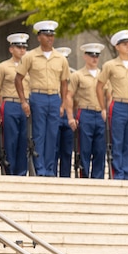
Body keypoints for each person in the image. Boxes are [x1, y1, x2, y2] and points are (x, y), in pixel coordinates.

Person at [15, 20, 70, 177]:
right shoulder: (30, 56)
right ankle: (39, 169)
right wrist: (23, 101)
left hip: (54, 97)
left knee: (52, 134)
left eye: (51, 35)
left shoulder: (61, 58)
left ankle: (49, 169)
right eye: (46, 35)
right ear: (39, 37)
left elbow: (64, 82)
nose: (50, 38)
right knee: (39, 134)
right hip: (37, 96)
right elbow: (18, 78)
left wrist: (62, 104)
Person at [96, 30, 128, 180]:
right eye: (124, 44)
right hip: (118, 106)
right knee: (117, 141)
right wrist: (103, 107)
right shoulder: (110, 65)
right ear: (117, 47)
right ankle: (118, 173)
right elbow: (99, 85)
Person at [0, 33, 30, 175]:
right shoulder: (3, 67)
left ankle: (21, 172)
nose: (22, 50)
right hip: (10, 104)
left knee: (24, 141)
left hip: (26, 105)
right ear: (11, 49)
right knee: (10, 140)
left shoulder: (29, 66)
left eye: (24, 47)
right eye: (18, 47)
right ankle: (9, 172)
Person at [67, 43, 106, 179]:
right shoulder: (77, 75)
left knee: (100, 149)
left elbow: (110, 94)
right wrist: (71, 117)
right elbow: (69, 96)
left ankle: (98, 177)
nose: (94, 59)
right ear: (85, 56)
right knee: (84, 148)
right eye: (91, 55)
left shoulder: (103, 75)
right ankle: (84, 176)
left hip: (100, 113)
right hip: (85, 112)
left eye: (97, 56)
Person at [54, 47, 76, 178]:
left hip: (68, 118)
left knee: (67, 151)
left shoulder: (73, 78)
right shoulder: (52, 77)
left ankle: (65, 177)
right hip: (55, 114)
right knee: (54, 149)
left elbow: (75, 98)